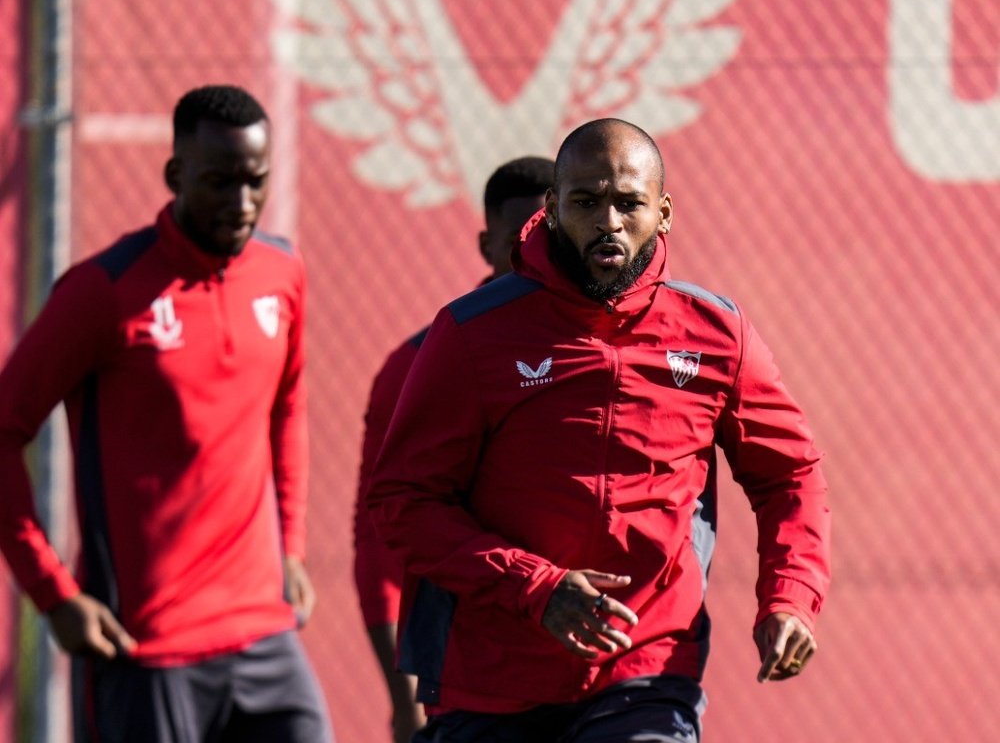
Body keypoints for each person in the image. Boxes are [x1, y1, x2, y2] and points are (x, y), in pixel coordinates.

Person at [366, 119, 832, 742]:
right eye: (585, 202)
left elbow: (790, 474)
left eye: (628, 202)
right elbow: (403, 503)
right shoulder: (472, 333)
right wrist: (536, 587)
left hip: (647, 666)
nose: (608, 221)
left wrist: (790, 596)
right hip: (492, 678)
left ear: (663, 213)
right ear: (554, 211)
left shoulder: (717, 333)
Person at [0, 85, 333, 742]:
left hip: (264, 631)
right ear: (176, 175)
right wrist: (53, 594)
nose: (241, 203)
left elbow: (287, 407)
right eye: (219, 181)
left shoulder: (281, 272)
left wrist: (289, 544)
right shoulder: (103, 292)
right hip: (147, 648)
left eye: (255, 182)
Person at [353, 156, 555, 743]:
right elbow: (380, 533)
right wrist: (402, 692)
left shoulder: (607, 350)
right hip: (469, 680)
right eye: (519, 236)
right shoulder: (416, 364)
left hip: (595, 675)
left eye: (549, 233)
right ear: (485, 240)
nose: (534, 250)